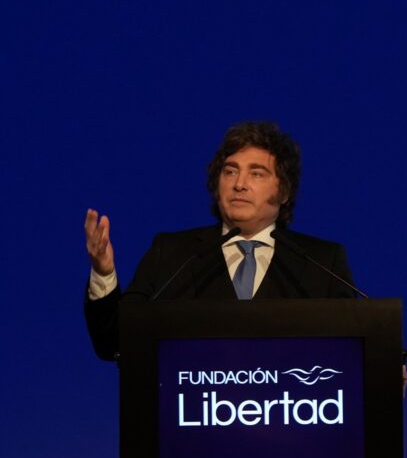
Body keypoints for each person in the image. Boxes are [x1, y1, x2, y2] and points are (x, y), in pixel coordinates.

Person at [84, 121, 356, 361]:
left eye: (257, 173)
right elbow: (114, 343)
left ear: (284, 191)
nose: (239, 184)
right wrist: (103, 273)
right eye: (230, 172)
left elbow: (352, 352)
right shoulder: (172, 253)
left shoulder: (323, 261)